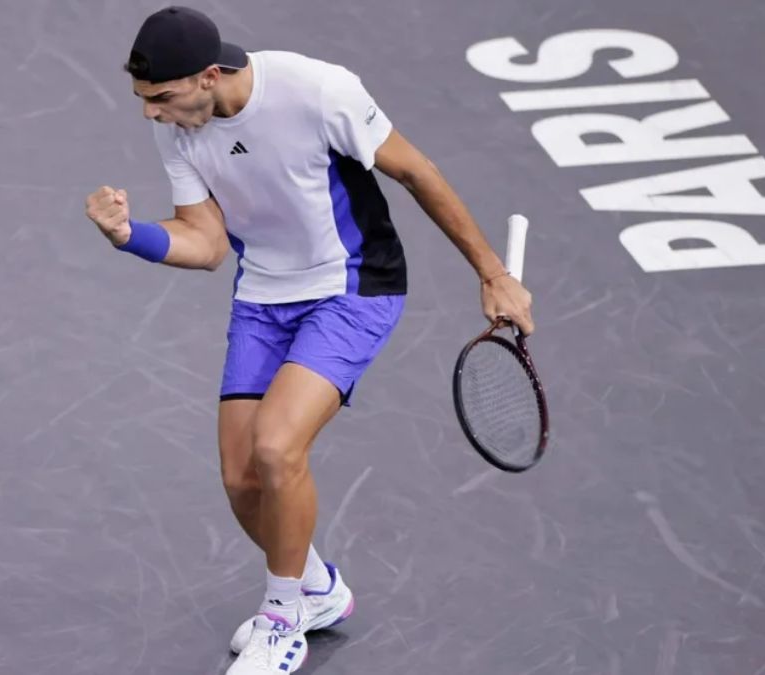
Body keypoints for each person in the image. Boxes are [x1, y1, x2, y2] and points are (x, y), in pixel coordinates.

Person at [83, 6, 534, 673]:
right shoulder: (181, 123)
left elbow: (416, 172)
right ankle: (318, 589)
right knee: (241, 477)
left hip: (353, 286)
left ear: (209, 76)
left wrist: (493, 274)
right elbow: (206, 244)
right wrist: (128, 236)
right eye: (144, 100)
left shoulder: (317, 91)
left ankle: (283, 616)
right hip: (264, 295)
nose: (151, 114)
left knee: (276, 444)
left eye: (162, 98)